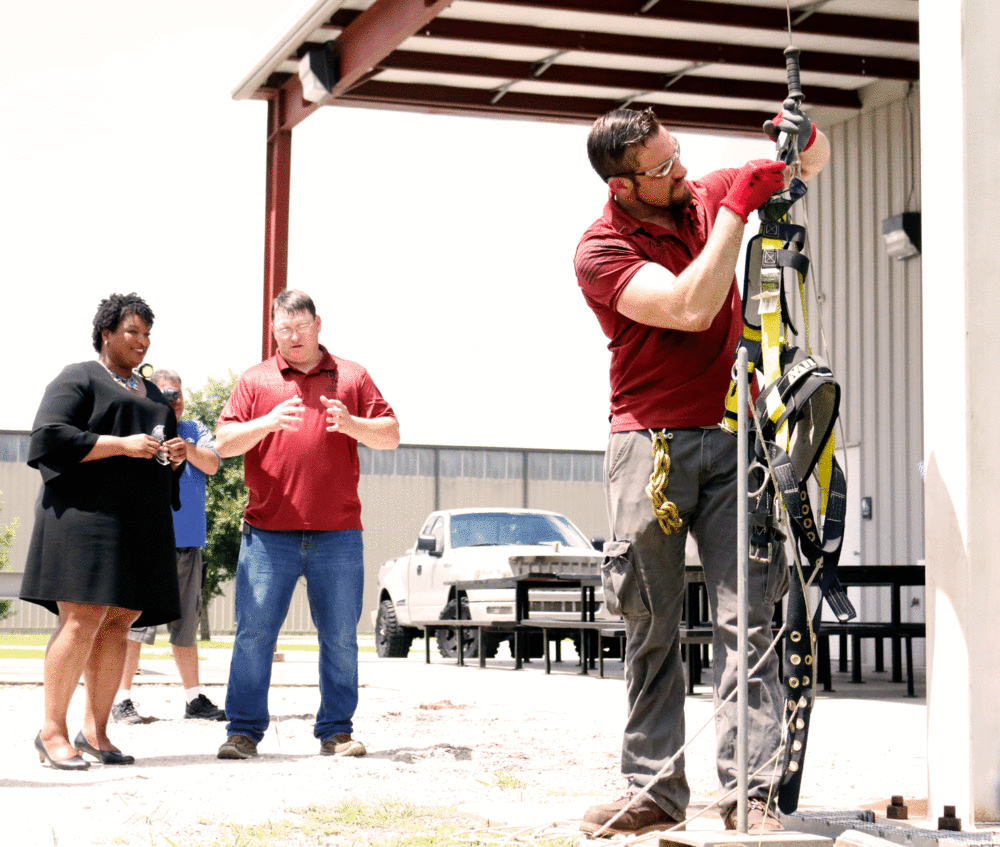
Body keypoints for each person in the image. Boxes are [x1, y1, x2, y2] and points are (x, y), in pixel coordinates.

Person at [573, 107, 830, 836]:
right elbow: (690, 304)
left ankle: (749, 791)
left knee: (747, 617)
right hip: (646, 446)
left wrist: (802, 136)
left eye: (679, 155)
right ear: (623, 187)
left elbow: (814, 163)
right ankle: (652, 788)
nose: (683, 173)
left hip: (734, 435)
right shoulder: (599, 249)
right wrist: (735, 214)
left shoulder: (702, 194)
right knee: (649, 621)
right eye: (662, 169)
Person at [214, 289, 400, 760]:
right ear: (273, 329)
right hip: (266, 534)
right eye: (283, 329)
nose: (292, 337)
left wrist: (353, 423)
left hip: (337, 534)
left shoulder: (352, 376)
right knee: (254, 635)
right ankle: (242, 732)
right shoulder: (256, 381)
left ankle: (336, 731)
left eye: (300, 327)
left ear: (319, 324)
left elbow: (392, 435)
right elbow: (224, 443)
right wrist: (267, 422)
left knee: (339, 636)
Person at [20, 292, 185, 770]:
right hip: (84, 518)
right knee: (82, 618)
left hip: (140, 522)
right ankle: (50, 731)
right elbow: (49, 437)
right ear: (106, 333)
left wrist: (171, 457)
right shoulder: (79, 377)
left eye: (147, 334)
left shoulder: (153, 395)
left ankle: (96, 731)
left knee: (121, 620)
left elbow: (155, 455)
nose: (141, 341)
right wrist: (118, 444)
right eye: (132, 331)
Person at [112, 368, 226, 724]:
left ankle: (193, 699)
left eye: (176, 395)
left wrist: (186, 448)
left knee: (186, 627)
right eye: (164, 395)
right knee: (134, 627)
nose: (172, 402)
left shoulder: (194, 431)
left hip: (188, 545)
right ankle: (122, 699)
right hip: (149, 544)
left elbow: (213, 465)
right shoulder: (142, 428)